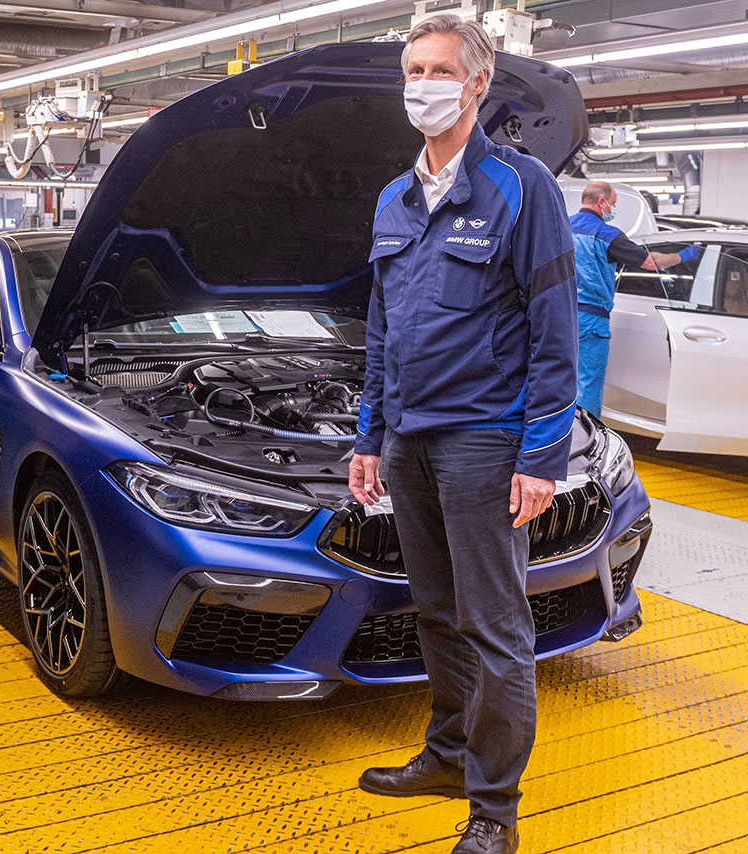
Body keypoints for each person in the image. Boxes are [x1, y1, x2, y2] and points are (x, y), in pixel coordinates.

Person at [349, 15, 579, 854]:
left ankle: (495, 812)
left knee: (497, 628)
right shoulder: (393, 198)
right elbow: (382, 326)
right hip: (407, 440)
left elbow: (555, 333)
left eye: (439, 68)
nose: (422, 83)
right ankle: (445, 755)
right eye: (413, 68)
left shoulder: (522, 188)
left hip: (484, 440)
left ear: (477, 83)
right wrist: (369, 434)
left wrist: (542, 457)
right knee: (437, 614)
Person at [570, 181, 698, 416]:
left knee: (561, 381)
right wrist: (684, 256)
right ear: (601, 202)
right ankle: (585, 441)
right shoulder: (607, 234)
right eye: (613, 203)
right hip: (592, 319)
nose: (613, 208)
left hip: (562, 317)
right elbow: (650, 262)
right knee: (588, 384)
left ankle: (559, 438)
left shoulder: (561, 226)